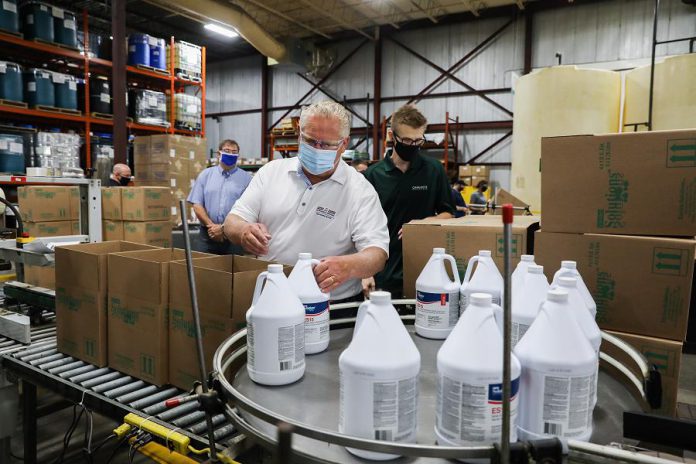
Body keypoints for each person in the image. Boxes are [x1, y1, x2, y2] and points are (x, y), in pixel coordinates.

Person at [224, 101, 389, 302]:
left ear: (344, 144)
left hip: (330, 305)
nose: (317, 149)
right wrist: (243, 231)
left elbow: (377, 253)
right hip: (270, 297)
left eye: (326, 145)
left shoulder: (359, 190)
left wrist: (348, 266)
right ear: (300, 135)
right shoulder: (271, 173)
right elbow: (232, 221)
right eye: (310, 141)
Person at [364, 104, 455, 297]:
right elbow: (361, 227)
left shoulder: (433, 170)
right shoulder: (373, 176)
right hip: (383, 272)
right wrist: (365, 272)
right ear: (391, 136)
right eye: (406, 140)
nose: (412, 146)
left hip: (425, 270)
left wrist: (419, 225)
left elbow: (448, 213)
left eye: (418, 141)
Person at [188, 139, 252, 255]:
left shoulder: (247, 179)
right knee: (204, 269)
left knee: (233, 271)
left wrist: (223, 229)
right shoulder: (206, 175)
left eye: (234, 152)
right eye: (227, 151)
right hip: (207, 234)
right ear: (219, 154)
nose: (231, 154)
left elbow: (248, 208)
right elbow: (197, 205)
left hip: (234, 236)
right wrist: (212, 227)